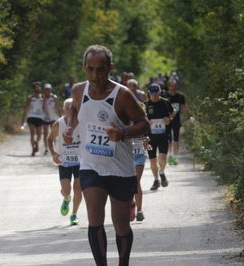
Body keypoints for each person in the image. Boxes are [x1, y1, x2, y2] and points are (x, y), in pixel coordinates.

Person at [64, 45, 150, 266]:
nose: (95, 76)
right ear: (84, 68)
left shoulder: (122, 95)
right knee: (94, 216)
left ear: (110, 68)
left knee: (121, 224)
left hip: (120, 169)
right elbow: (74, 108)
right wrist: (71, 127)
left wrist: (122, 134)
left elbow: (144, 125)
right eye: (90, 69)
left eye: (100, 70)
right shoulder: (77, 91)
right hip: (91, 166)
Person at [47, 98, 82, 225]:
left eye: (73, 108)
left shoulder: (83, 122)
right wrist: (54, 154)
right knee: (67, 190)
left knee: (78, 189)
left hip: (80, 161)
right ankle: (67, 198)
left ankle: (74, 214)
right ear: (63, 109)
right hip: (64, 162)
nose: (70, 110)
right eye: (68, 108)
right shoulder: (59, 124)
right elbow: (49, 139)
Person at [127, 79, 150, 222]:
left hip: (139, 155)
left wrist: (147, 142)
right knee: (128, 184)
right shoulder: (126, 121)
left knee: (135, 182)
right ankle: (131, 205)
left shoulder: (143, 123)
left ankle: (139, 209)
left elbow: (147, 137)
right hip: (127, 157)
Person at [145, 83, 174, 191]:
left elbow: (173, 113)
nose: (154, 96)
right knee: (152, 161)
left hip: (163, 135)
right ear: (149, 94)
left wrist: (169, 119)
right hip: (150, 137)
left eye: (156, 94)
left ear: (159, 92)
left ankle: (161, 172)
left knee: (162, 157)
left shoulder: (165, 102)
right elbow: (141, 118)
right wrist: (147, 122)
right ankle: (156, 180)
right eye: (152, 94)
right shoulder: (146, 104)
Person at [165, 80, 191, 165]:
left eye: (175, 86)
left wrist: (188, 117)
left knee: (176, 139)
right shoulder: (165, 96)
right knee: (168, 140)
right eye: (172, 86)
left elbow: (184, 107)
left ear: (177, 87)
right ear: (169, 87)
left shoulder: (180, 96)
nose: (173, 88)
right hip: (167, 121)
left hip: (176, 121)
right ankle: (170, 158)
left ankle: (175, 159)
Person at [21, 81, 45, 156]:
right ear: (33, 89)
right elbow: (26, 109)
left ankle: (36, 143)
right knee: (32, 133)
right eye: (36, 87)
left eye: (39, 87)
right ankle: (33, 149)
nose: (38, 88)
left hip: (40, 117)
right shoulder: (30, 98)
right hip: (31, 117)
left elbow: (45, 108)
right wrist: (22, 120)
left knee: (39, 135)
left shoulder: (43, 97)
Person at [43, 83, 62, 155]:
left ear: (50, 89)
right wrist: (44, 99)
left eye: (48, 89)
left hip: (54, 117)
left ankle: (55, 149)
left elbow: (58, 107)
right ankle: (46, 148)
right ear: (44, 90)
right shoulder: (43, 97)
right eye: (46, 89)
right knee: (45, 133)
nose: (47, 90)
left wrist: (61, 117)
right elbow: (42, 108)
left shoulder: (54, 97)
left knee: (54, 133)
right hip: (45, 118)